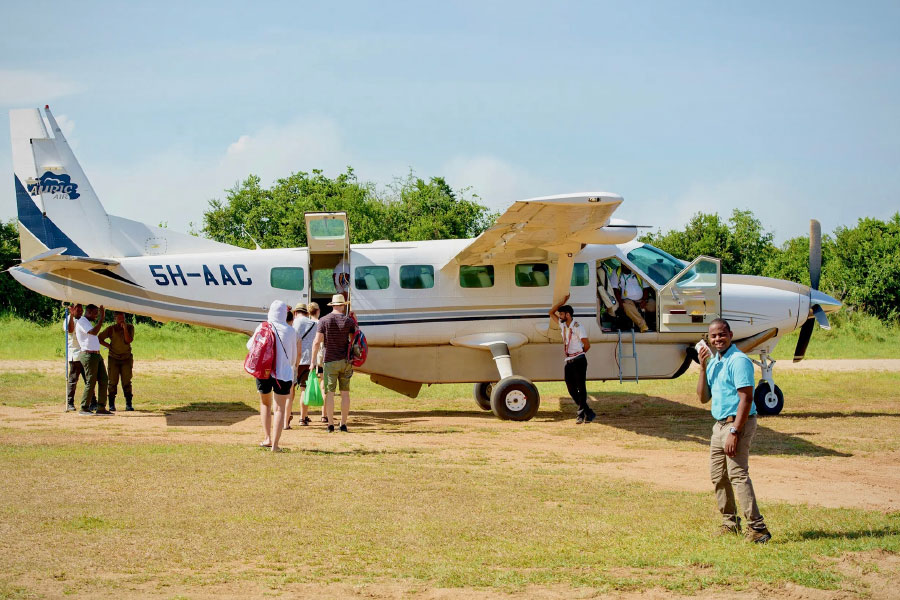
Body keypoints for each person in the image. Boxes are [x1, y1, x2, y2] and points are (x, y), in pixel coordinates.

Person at [696, 318, 772, 543]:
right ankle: (730, 524)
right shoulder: (714, 362)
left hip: (736, 423)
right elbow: (702, 398)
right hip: (719, 425)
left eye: (722, 334)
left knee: (738, 475)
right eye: (713, 336)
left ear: (730, 334)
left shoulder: (738, 361)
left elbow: (746, 398)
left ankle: (758, 528)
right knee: (718, 476)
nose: (718, 339)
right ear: (708, 339)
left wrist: (735, 431)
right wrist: (702, 368)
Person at [247, 300, 297, 452]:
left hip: (263, 371)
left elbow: (250, 346)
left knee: (265, 404)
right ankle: (275, 445)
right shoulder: (290, 331)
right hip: (282, 373)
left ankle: (267, 438)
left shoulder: (262, 327)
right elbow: (293, 357)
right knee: (279, 408)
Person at [310, 294, 357, 432]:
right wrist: (356, 321)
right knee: (345, 394)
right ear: (343, 306)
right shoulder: (348, 321)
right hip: (346, 361)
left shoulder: (324, 320)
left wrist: (313, 361)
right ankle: (343, 424)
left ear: (332, 305)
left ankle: (330, 424)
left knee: (329, 393)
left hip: (330, 360)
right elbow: (354, 339)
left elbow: (317, 342)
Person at [549, 293, 595, 424]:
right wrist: (562, 301)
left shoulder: (578, 327)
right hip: (568, 360)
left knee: (581, 386)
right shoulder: (563, 325)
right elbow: (550, 312)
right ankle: (589, 412)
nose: (560, 316)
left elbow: (587, 345)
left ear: (568, 315)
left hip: (579, 359)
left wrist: (580, 354)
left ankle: (581, 414)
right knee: (570, 387)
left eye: (562, 314)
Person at [75, 304, 110, 415]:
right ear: (88, 311)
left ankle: (101, 407)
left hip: (96, 355)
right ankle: (84, 407)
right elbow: (94, 332)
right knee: (91, 381)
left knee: (104, 379)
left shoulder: (87, 322)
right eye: (95, 313)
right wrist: (102, 319)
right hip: (89, 355)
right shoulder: (82, 321)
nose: (96, 316)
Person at [99, 311, 135, 412]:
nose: (121, 320)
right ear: (115, 319)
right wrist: (109, 346)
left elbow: (128, 340)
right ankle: (111, 404)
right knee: (112, 382)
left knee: (127, 381)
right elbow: (99, 338)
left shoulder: (130, 327)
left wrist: (124, 329)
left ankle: (128, 404)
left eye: (122, 318)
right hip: (113, 358)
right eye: (119, 318)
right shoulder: (111, 329)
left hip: (126, 358)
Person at [290, 303, 319, 428]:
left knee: (290, 390)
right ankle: (303, 417)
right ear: (307, 313)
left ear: (296, 312)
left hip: (293, 359)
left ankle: (287, 415)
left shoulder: (292, 324)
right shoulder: (314, 324)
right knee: (304, 390)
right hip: (307, 360)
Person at [64, 304, 92, 412]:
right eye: (77, 309)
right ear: (73, 309)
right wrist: (71, 316)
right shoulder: (68, 319)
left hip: (84, 354)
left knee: (89, 380)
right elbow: (70, 330)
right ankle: (70, 402)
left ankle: (92, 402)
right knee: (73, 380)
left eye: (81, 310)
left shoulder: (84, 321)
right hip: (75, 355)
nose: (80, 311)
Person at [612, 264, 655, 332]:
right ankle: (643, 326)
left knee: (654, 305)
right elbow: (615, 289)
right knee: (626, 306)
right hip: (627, 300)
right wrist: (620, 302)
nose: (625, 267)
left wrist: (644, 300)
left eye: (627, 265)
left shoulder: (638, 271)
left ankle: (654, 325)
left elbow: (646, 288)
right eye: (623, 265)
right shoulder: (617, 271)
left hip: (641, 299)